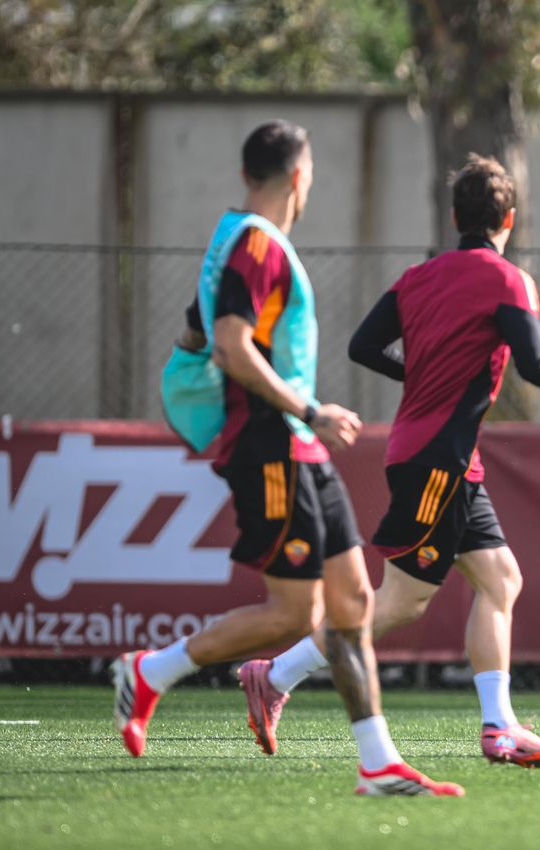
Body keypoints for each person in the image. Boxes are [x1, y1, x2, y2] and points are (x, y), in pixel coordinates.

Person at [118, 120, 463, 797]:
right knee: (292, 615)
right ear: (299, 178)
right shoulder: (255, 244)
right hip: (274, 445)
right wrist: (308, 409)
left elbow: (195, 328)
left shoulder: (230, 237)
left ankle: (377, 762)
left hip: (297, 447)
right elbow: (228, 344)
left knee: (353, 602)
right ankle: (148, 672)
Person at [238, 153, 540, 769]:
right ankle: (276, 675)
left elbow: (363, 345)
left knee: (501, 580)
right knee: (396, 604)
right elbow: (535, 363)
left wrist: (417, 371)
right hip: (437, 458)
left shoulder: (419, 277)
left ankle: (500, 726)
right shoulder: (507, 279)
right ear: (510, 219)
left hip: (435, 454)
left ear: (454, 217)